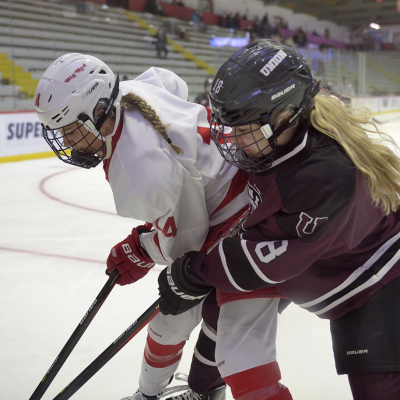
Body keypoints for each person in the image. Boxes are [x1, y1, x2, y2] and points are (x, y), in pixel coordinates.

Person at [34, 53, 289, 400]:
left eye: (70, 129)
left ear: (97, 114)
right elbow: (171, 82)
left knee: (229, 342)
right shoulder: (129, 93)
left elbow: (186, 238)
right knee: (169, 320)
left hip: (243, 221)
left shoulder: (138, 168)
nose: (66, 141)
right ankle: (152, 394)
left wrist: (141, 248)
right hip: (243, 190)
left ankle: (174, 393)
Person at [157, 39, 400, 400]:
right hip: (333, 268)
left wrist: (195, 271)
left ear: (285, 115)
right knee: (219, 309)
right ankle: (202, 391)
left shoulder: (322, 175)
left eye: (245, 128)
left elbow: (264, 262)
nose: (234, 141)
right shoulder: (283, 138)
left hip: (377, 285)